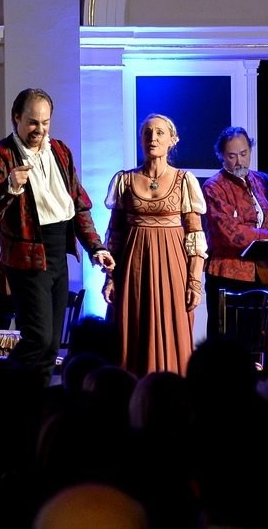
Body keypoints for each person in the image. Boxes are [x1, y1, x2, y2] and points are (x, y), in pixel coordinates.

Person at [0, 88, 114, 381]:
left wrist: (95, 247)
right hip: (27, 257)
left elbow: (78, 204)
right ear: (17, 118)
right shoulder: (1, 156)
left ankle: (35, 402)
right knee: (38, 338)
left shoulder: (60, 151)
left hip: (58, 251)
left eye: (45, 122)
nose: (39, 129)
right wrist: (9, 187)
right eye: (33, 122)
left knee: (50, 345)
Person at [102, 114, 208, 376]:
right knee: (133, 328)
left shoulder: (184, 181)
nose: (153, 138)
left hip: (172, 268)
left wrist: (194, 282)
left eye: (160, 132)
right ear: (141, 139)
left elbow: (195, 235)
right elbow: (114, 235)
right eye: (147, 132)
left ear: (173, 140)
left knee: (173, 326)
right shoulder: (125, 180)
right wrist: (110, 279)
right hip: (133, 267)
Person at [202, 126, 268, 343]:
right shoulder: (213, 187)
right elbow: (230, 232)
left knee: (260, 339)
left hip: (264, 274)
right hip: (228, 276)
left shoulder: (261, 180)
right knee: (229, 342)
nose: (239, 162)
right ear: (221, 156)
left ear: (250, 151)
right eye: (232, 156)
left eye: (243, 154)